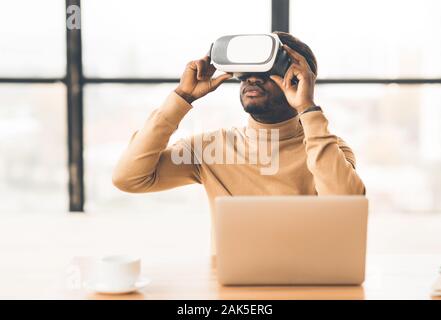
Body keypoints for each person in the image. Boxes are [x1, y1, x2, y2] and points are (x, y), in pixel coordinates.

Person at [112, 31, 366, 255]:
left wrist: (308, 109)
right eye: (246, 72)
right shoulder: (211, 149)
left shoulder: (328, 150)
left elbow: (348, 209)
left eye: (268, 70)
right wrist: (182, 97)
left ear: (301, 81)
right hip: (233, 292)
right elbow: (129, 178)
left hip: (309, 286)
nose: (252, 79)